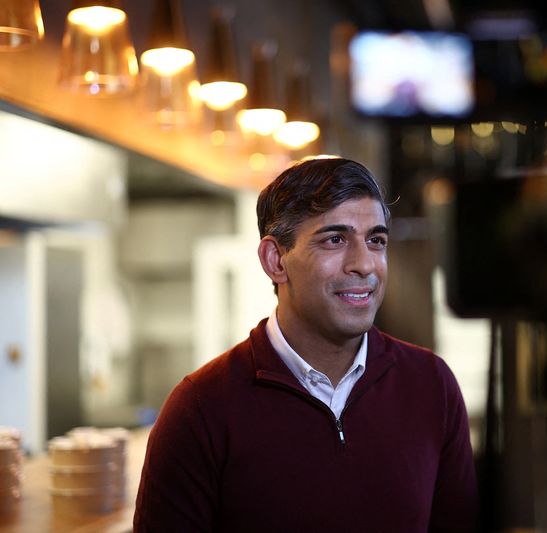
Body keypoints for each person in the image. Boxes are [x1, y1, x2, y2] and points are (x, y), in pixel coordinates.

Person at [134, 157, 479, 532]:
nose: (364, 264)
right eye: (335, 239)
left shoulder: (431, 383)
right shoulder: (200, 408)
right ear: (275, 260)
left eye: (376, 241)